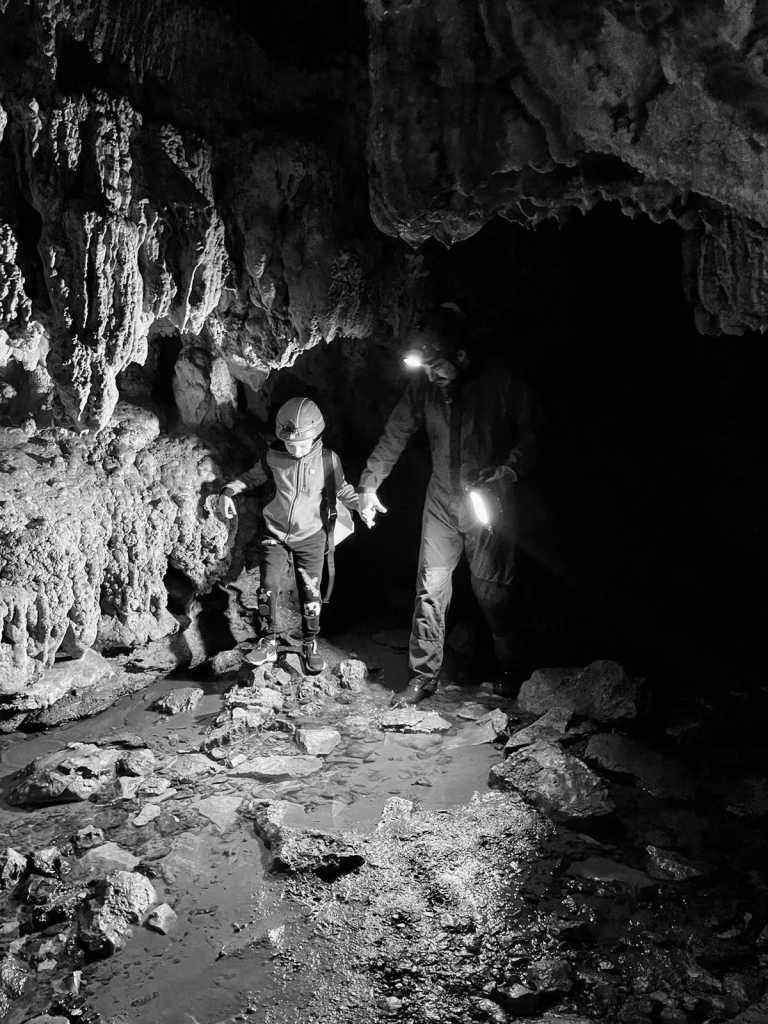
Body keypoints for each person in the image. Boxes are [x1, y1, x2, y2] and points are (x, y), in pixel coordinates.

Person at [358, 306, 536, 705]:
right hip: (441, 499)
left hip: (485, 499)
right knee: (430, 589)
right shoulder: (425, 389)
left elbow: (535, 431)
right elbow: (396, 431)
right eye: (426, 368)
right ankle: (423, 677)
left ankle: (511, 669)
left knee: (493, 591)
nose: (431, 375)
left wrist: (510, 471)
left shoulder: (499, 384)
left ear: (462, 357)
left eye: (437, 366)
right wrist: (369, 485)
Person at [217, 397, 358, 675]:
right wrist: (228, 491)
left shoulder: (328, 460)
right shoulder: (273, 456)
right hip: (276, 532)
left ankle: (309, 643)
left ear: (317, 435)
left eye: (302, 444)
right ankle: (268, 641)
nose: (295, 450)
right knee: (268, 585)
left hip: (311, 535)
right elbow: (251, 478)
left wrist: (361, 504)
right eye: (290, 444)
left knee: (310, 592)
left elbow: (343, 490)